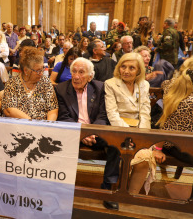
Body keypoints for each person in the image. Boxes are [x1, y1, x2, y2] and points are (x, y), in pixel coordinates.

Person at [55, 57, 120, 211]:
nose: (76, 76)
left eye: (81, 72)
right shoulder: (61, 89)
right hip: (72, 132)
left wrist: (91, 132)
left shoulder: (100, 87)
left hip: (96, 132)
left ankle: (107, 189)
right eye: (74, 72)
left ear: (90, 76)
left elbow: (103, 116)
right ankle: (61, 188)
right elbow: (64, 117)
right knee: (56, 144)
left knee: (115, 146)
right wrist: (82, 133)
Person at [129, 61, 193, 196]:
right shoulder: (190, 102)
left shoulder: (171, 86)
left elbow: (164, 83)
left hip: (169, 142)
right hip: (184, 145)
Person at [2, 46, 58, 120]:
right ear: (26, 70)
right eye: (38, 71)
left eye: (42, 69)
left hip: (42, 127)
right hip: (19, 127)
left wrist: (48, 125)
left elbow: (53, 109)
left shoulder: (45, 82)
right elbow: (10, 110)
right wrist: (32, 124)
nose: (41, 73)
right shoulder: (12, 83)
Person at [105, 53, 151, 128]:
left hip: (140, 128)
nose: (126, 71)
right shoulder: (110, 84)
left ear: (139, 71)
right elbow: (112, 114)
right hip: (119, 128)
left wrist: (143, 132)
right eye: (123, 67)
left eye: (131, 68)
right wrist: (129, 132)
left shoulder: (144, 85)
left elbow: (145, 112)